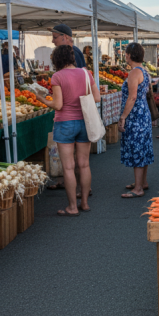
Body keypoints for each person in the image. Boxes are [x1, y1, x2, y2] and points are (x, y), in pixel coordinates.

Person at [47, 45, 101, 216]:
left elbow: (58, 105)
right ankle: (84, 203)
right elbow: (97, 97)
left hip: (65, 123)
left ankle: (72, 207)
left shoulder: (57, 76)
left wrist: (42, 99)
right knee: (84, 164)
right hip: (85, 122)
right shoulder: (86, 73)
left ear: (57, 60)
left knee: (68, 167)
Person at [119, 43, 155, 198]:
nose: (125, 56)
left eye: (126, 53)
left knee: (137, 149)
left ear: (129, 55)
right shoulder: (144, 71)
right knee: (143, 148)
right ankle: (142, 182)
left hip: (135, 116)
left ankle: (138, 188)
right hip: (143, 114)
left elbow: (132, 97)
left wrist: (123, 117)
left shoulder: (134, 73)